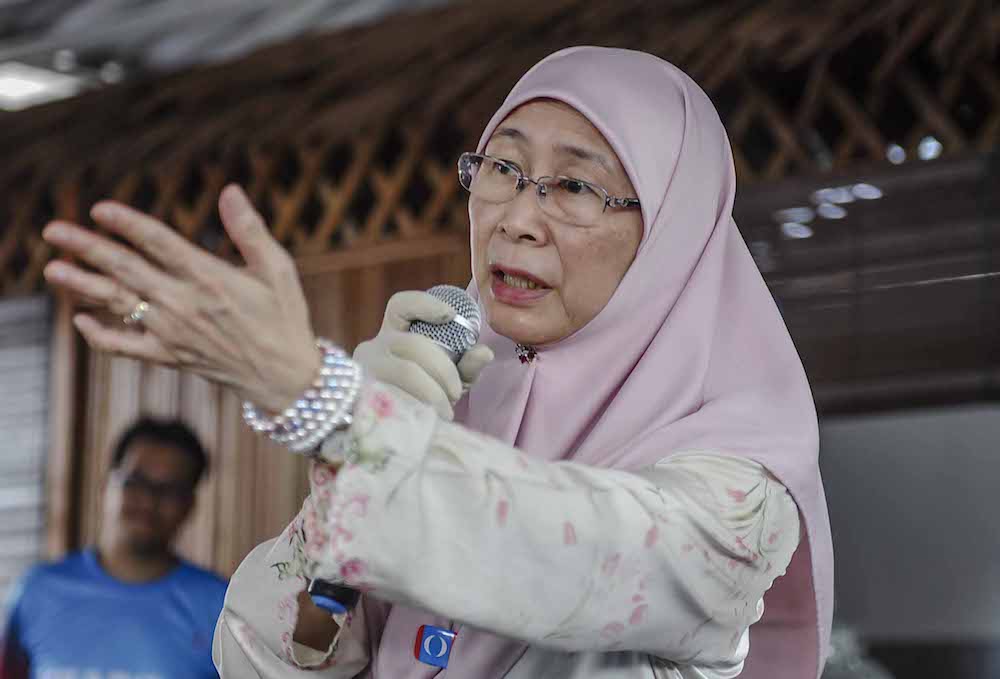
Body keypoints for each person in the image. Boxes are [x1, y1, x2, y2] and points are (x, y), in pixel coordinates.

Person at [38, 46, 833, 679]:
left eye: (576, 187)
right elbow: (261, 659)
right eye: (501, 169)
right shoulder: (453, 396)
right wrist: (351, 464)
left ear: (671, 231)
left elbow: (575, 554)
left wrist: (329, 404)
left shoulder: (743, 490)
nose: (517, 218)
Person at [0, 417, 228, 679]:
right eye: (136, 482)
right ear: (107, 485)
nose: (148, 500)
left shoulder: (219, 607)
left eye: (169, 490)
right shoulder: (38, 591)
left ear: (190, 505)